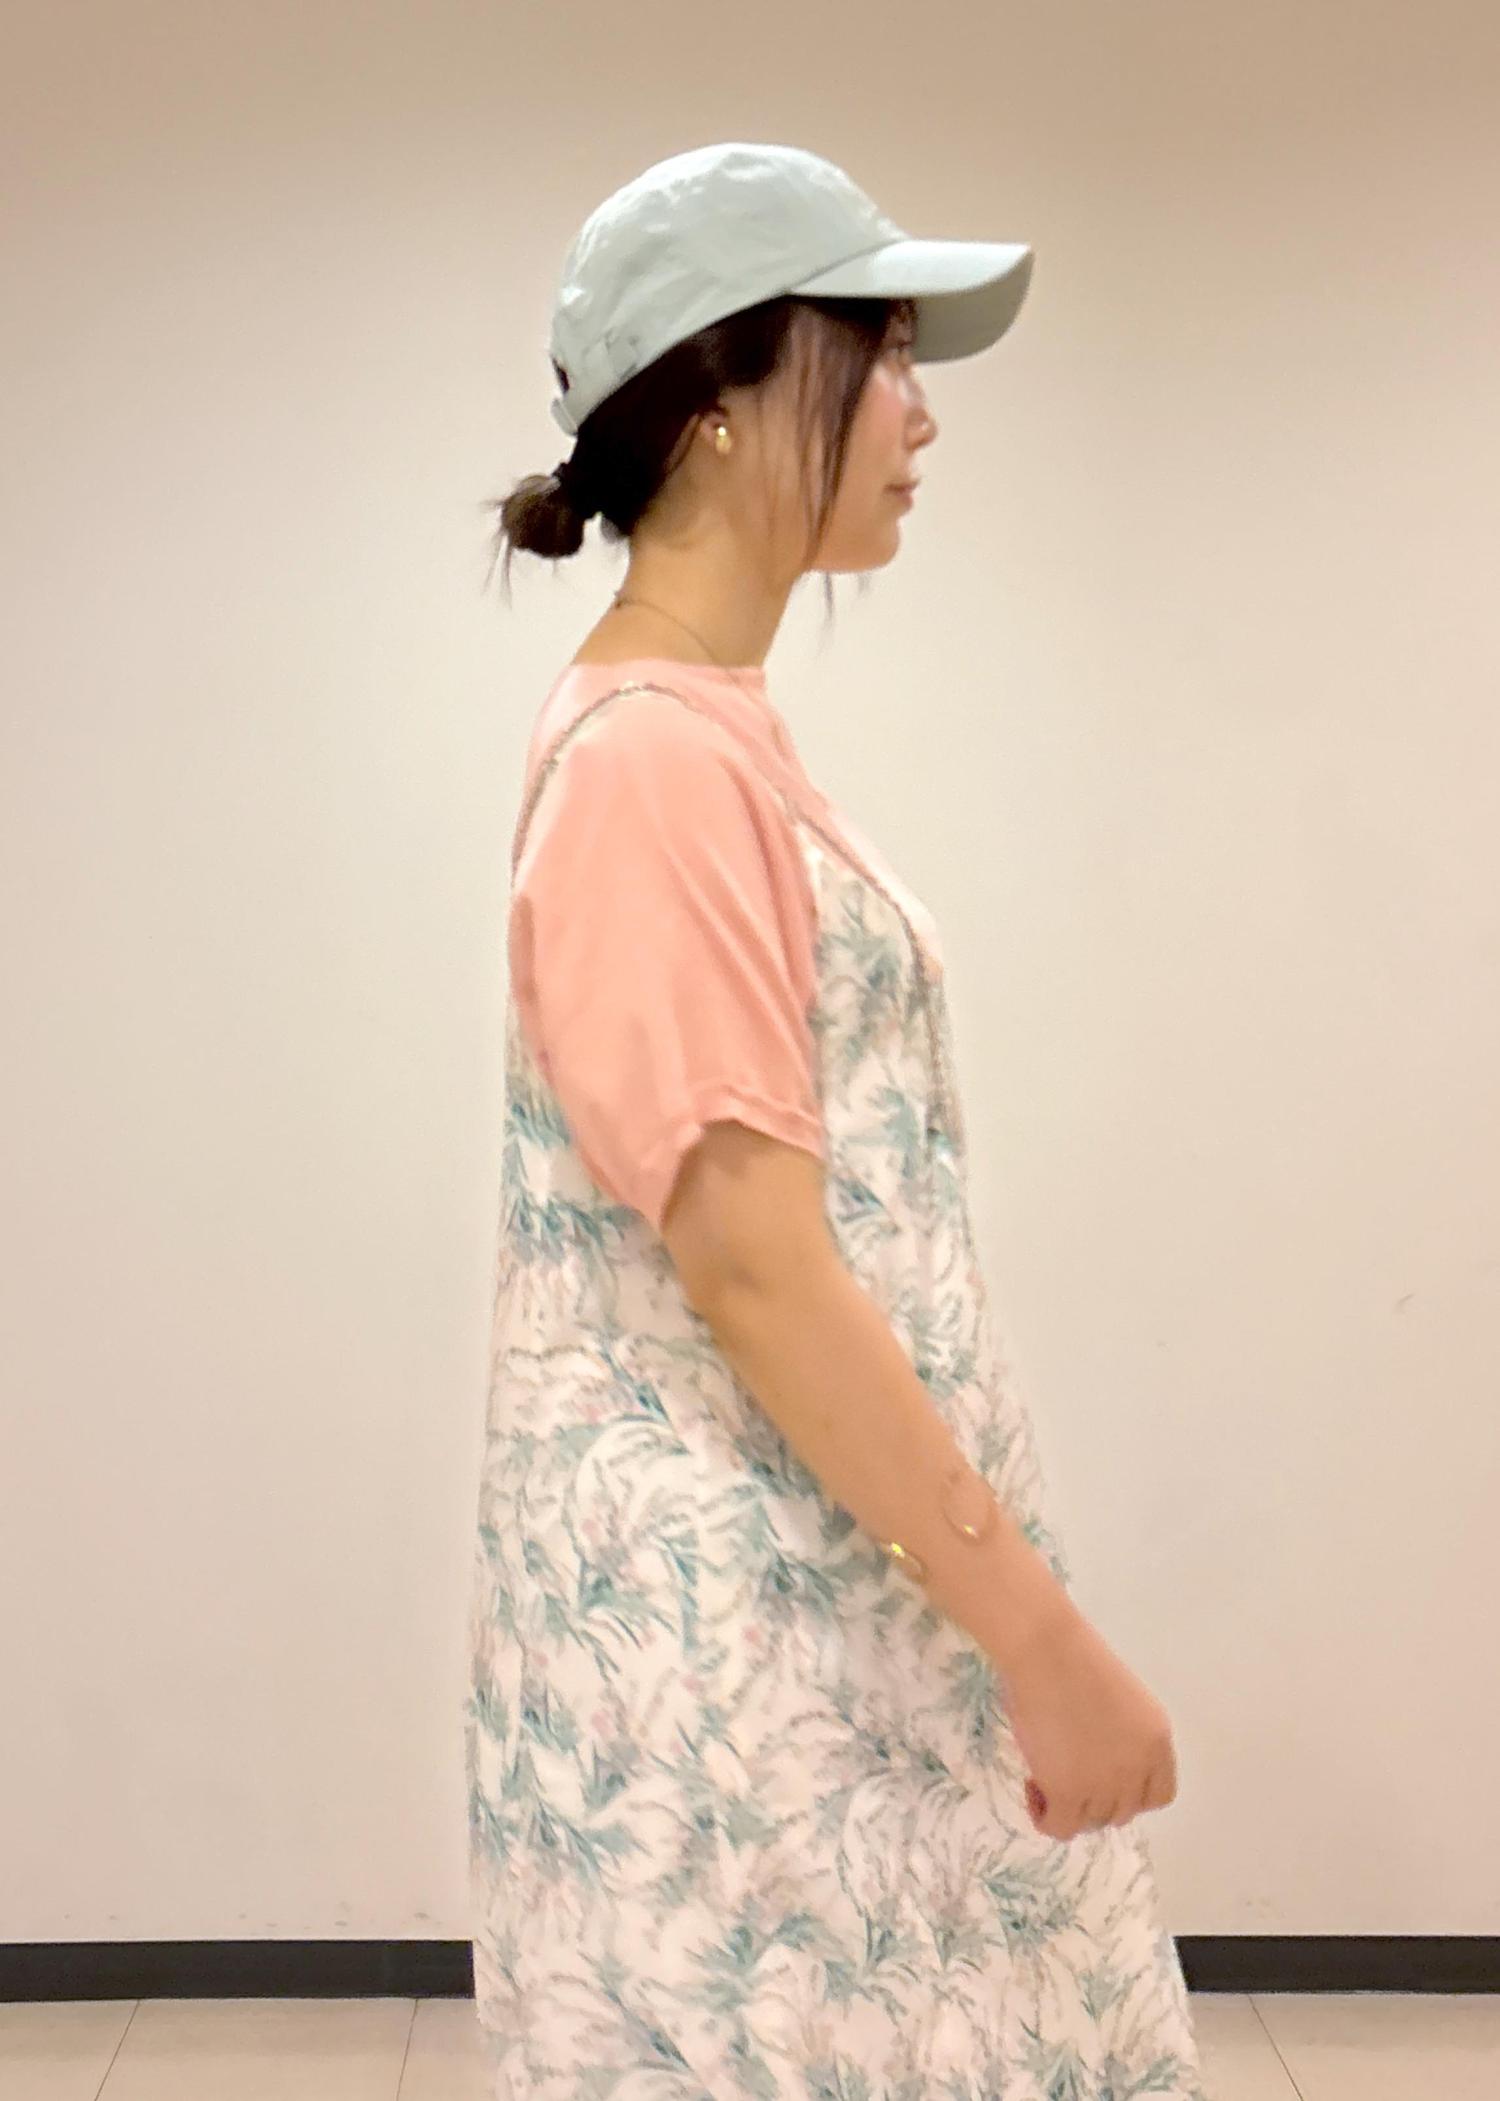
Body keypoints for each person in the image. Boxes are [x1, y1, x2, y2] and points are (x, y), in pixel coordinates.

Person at [467, 140, 1212, 2100]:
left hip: (817, 1627)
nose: (921, 412)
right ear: (721, 397)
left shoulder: (699, 733)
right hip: (748, 1679)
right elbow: (755, 1264)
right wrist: (1042, 1639)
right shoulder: (651, 765)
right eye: (878, 352)